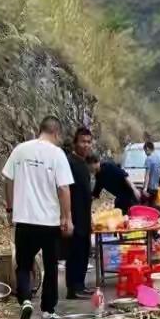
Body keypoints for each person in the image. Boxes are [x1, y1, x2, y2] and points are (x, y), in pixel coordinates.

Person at [3, 116, 74, 319]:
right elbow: (63, 188)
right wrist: (67, 217)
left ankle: (25, 300)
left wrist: (10, 208)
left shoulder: (20, 150)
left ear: (39, 129)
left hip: (24, 219)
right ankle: (48, 311)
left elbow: (8, 179)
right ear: (56, 133)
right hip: (49, 222)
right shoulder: (57, 154)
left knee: (23, 265)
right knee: (51, 267)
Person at [65, 126, 94, 299]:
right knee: (74, 252)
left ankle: (80, 285)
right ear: (75, 142)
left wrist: (90, 217)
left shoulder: (83, 163)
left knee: (84, 251)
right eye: (83, 141)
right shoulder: (69, 162)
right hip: (74, 215)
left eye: (89, 142)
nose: (86, 145)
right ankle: (73, 288)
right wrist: (67, 217)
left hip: (84, 215)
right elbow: (65, 190)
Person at [142, 139, 160, 207]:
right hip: (156, 188)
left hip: (149, 188)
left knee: (146, 207)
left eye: (145, 151)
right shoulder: (159, 160)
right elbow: (158, 174)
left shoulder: (149, 159)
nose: (145, 153)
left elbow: (147, 175)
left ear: (147, 149)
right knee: (153, 206)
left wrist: (145, 189)